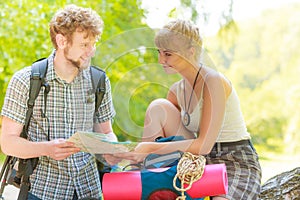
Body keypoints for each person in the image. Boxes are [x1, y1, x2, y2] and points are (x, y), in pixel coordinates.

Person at [115, 19, 262, 199]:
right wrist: (133, 153)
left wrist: (150, 148)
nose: (161, 60)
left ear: (190, 52)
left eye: (168, 54)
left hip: (233, 159)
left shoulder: (213, 81)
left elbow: (204, 145)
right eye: (159, 53)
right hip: (195, 159)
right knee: (158, 107)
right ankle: (145, 177)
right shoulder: (177, 90)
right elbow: (176, 141)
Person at [0, 4, 117, 200]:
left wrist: (112, 150)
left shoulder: (99, 81)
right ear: (62, 41)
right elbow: (8, 143)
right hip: (40, 191)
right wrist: (47, 148)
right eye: (84, 45)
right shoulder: (26, 80)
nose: (91, 51)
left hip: (89, 190)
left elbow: (106, 132)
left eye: (94, 44)